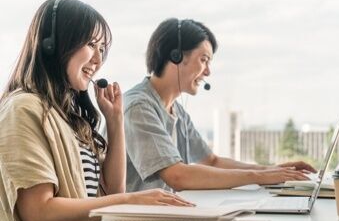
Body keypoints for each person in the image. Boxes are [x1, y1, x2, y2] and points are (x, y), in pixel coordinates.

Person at [0, 0, 192, 221]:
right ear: (53, 44)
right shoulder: (23, 108)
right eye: (91, 44)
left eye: (102, 49)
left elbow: (113, 192)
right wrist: (130, 201)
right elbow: (39, 213)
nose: (98, 60)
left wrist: (115, 121)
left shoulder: (69, 117)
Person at [123, 18, 317, 192]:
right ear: (176, 56)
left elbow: (211, 161)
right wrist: (259, 177)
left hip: (161, 213)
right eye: (204, 60)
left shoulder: (177, 111)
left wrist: (272, 170)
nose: (208, 71)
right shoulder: (139, 107)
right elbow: (177, 176)